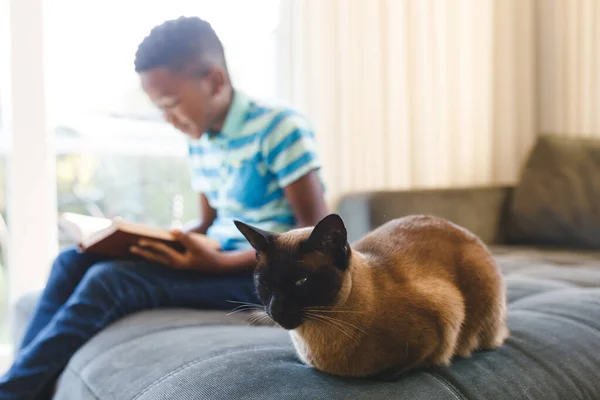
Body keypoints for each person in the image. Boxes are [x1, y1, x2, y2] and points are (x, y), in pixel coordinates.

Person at [0, 16, 327, 399]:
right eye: (160, 108)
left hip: (268, 276)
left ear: (216, 81)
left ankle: (13, 392)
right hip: (213, 258)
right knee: (70, 261)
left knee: (110, 281)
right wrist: (140, 239)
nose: (168, 119)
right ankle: (22, 382)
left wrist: (216, 264)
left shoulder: (280, 128)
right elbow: (207, 222)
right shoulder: (200, 137)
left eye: (171, 104)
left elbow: (312, 233)